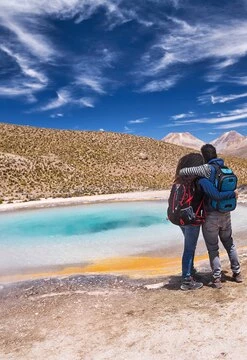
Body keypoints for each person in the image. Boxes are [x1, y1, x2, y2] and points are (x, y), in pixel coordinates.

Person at [179, 144, 241, 289]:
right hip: (226, 213)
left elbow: (184, 171)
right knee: (229, 244)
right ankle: (237, 273)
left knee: (213, 248)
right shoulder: (225, 168)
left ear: (204, 156)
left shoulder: (206, 169)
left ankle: (217, 278)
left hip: (211, 215)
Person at [172, 153, 207, 291]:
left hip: (179, 219)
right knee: (189, 248)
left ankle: (191, 271)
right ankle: (186, 279)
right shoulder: (196, 183)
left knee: (189, 246)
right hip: (192, 220)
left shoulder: (178, 181)